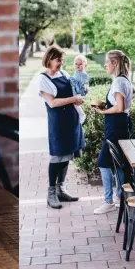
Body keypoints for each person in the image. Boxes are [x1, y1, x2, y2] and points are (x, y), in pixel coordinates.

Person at [37, 45, 85, 210]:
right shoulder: (43, 79)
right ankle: (51, 194)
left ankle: (61, 189)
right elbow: (52, 102)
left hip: (71, 120)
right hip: (58, 123)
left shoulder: (63, 73)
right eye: (58, 60)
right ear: (49, 60)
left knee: (67, 156)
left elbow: (73, 90)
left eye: (62, 60)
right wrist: (73, 99)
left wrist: (81, 91)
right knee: (57, 157)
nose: (60, 63)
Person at [91, 49, 134, 215]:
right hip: (122, 125)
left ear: (115, 63)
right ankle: (119, 197)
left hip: (115, 127)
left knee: (103, 162)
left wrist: (103, 111)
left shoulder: (118, 82)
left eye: (107, 62)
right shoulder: (124, 80)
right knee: (118, 163)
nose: (105, 65)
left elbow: (120, 107)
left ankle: (108, 201)